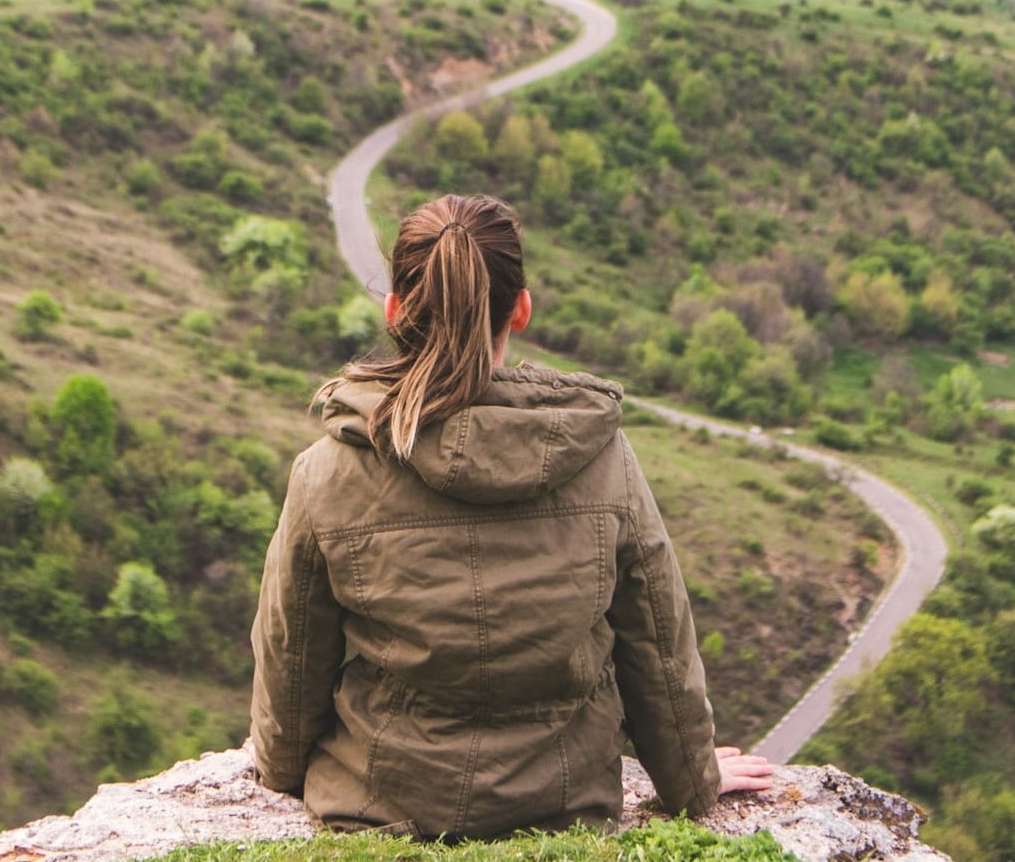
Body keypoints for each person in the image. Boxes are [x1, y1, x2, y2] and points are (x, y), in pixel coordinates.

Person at [249, 193, 771, 840]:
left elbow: (292, 654)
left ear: (394, 311)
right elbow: (657, 642)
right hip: (564, 807)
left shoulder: (327, 469)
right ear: (521, 308)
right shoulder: (600, 456)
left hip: (378, 806)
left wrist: (279, 771)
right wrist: (692, 781)